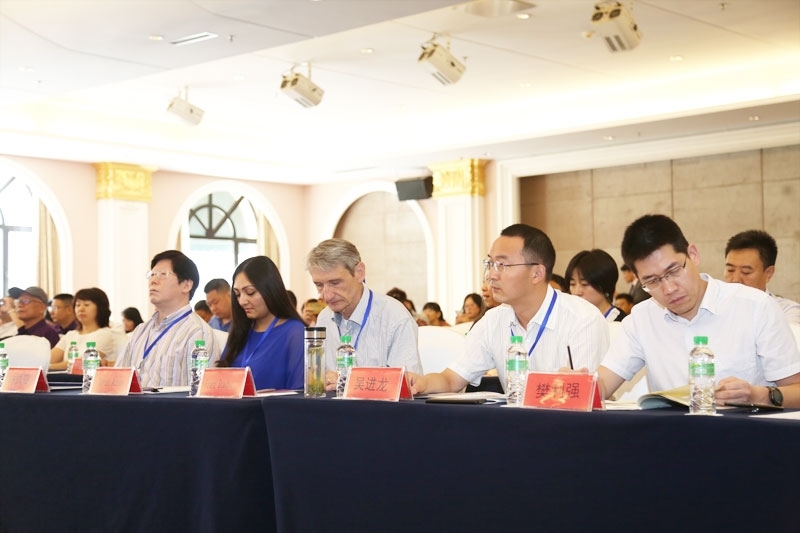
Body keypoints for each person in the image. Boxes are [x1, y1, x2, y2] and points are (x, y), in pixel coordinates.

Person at [598, 214, 800, 407]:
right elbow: (602, 385)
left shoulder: (756, 306)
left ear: (693, 255)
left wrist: (759, 396)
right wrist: (580, 384)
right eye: (652, 281)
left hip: (744, 428)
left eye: (673, 271)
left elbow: (797, 390)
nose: (669, 289)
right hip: (673, 430)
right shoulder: (642, 318)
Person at [409, 224, 609, 395]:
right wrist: (422, 383)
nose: (491, 275)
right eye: (490, 264)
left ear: (537, 273)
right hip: (516, 424)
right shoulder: (493, 320)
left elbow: (588, 396)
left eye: (502, 265)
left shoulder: (583, 319)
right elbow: (451, 380)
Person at [306, 238, 422, 390]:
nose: (326, 295)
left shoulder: (394, 317)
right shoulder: (324, 318)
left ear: (359, 273)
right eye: (319, 285)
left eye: (335, 283)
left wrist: (348, 381)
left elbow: (406, 384)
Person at [115, 250, 220, 387]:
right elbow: (116, 379)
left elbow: (199, 393)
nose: (153, 281)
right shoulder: (141, 331)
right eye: (152, 275)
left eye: (162, 274)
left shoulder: (198, 333)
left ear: (186, 285)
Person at [217, 256, 305, 390]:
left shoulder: (294, 332)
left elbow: (298, 391)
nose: (242, 301)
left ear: (270, 290)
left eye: (250, 292)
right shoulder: (241, 331)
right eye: (238, 294)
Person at [724, 229, 800, 326]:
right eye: (730, 270)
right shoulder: (712, 309)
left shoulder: (787, 311)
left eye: (746, 272)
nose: (735, 279)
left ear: (768, 273)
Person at [50, 287, 118, 370]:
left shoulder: (105, 334)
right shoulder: (70, 335)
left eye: (86, 305)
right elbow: (49, 359)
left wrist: (47, 367)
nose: (81, 309)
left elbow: (82, 363)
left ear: (100, 308)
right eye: (78, 305)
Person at [566, 249, 627, 322]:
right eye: (572, 284)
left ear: (605, 284)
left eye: (584, 284)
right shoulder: (571, 321)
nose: (577, 292)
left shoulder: (623, 323)